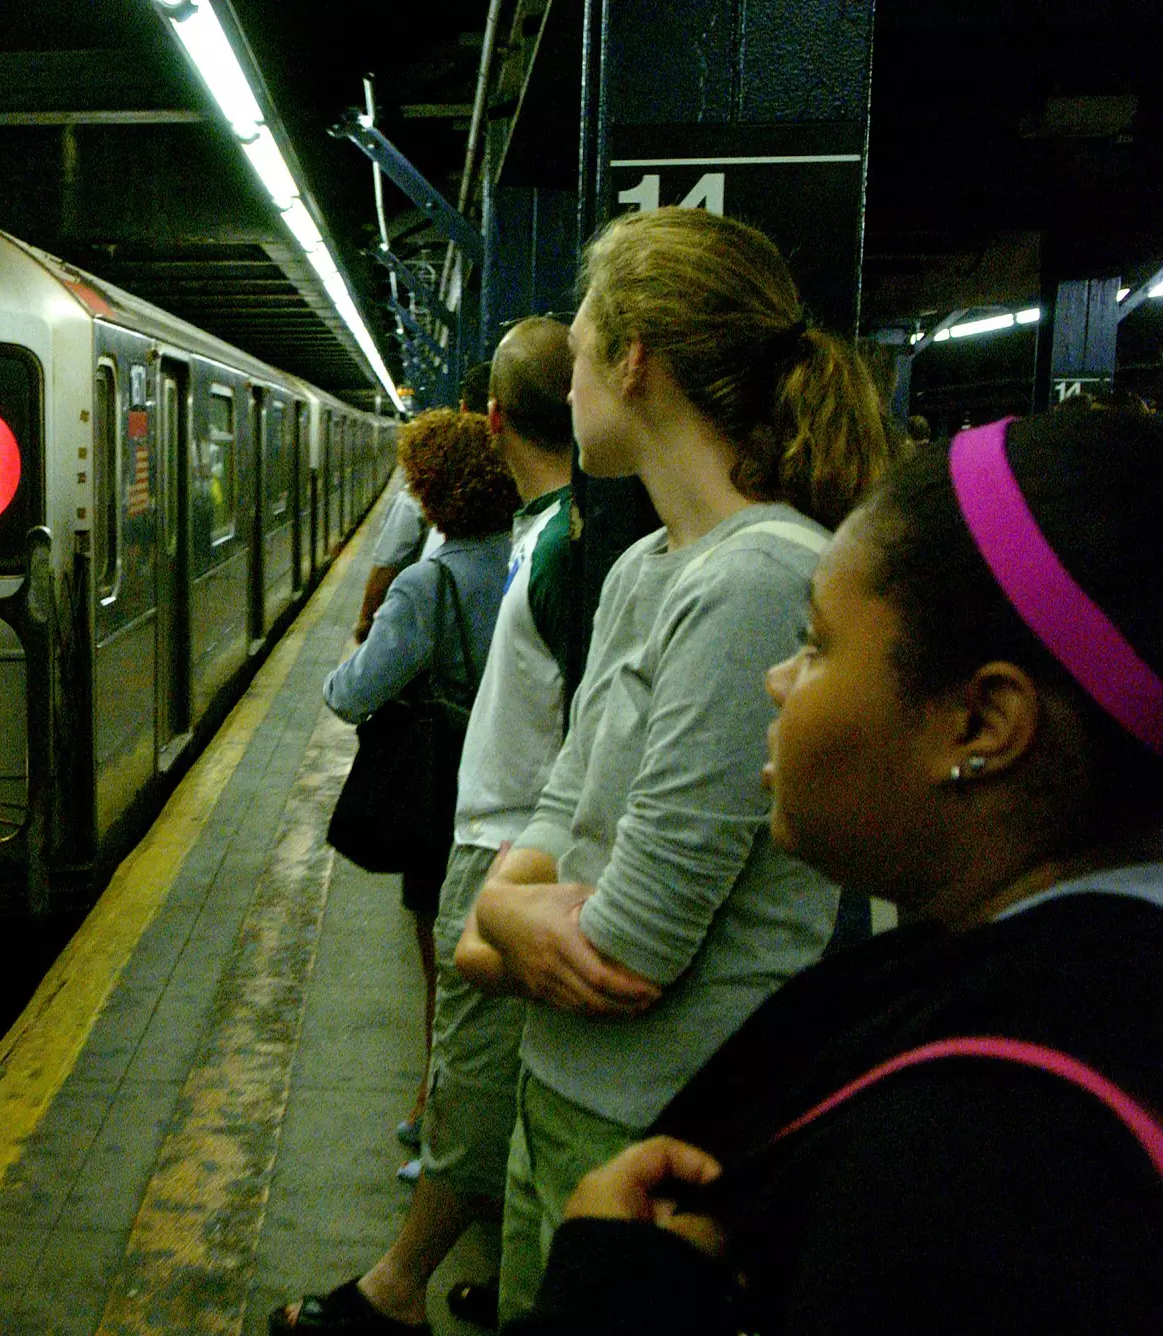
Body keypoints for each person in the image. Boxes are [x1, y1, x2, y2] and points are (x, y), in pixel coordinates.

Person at [508, 405, 1163, 1333]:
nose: (776, 679)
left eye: (815, 644)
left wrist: (613, 1296)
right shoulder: (1069, 1002)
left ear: (979, 726)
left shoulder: (972, 1163)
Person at [456, 206, 897, 1323]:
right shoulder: (648, 566)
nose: (569, 385)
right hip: (566, 1089)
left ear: (635, 359)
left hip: (657, 1123)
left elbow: (629, 948)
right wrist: (512, 919)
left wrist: (498, 919)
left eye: (586, 338)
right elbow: (561, 804)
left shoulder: (754, 580)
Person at [277, 318, 577, 1335]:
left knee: (466, 1034)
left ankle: (398, 1281)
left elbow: (352, 692)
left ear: (493, 427)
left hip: (482, 832)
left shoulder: (494, 567)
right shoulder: (556, 546)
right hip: (522, 835)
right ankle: (501, 1256)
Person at [326, 407, 519, 1156]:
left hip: (446, 796)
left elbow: (349, 694)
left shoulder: (426, 585)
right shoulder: (531, 560)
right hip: (524, 791)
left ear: (432, 496)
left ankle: (441, 1125)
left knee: (448, 972)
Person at [353, 365, 492, 642]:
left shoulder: (421, 493)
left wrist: (366, 624)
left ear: (462, 409)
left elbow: (387, 564)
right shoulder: (515, 493)